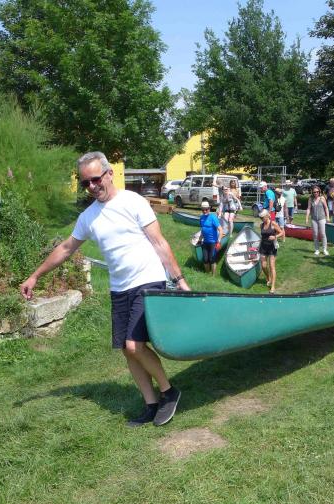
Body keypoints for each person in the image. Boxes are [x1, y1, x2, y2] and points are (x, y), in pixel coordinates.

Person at [20, 151, 188, 427]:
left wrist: (180, 280)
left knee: (135, 345)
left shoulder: (133, 202)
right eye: (85, 183)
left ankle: (169, 392)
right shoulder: (88, 217)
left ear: (109, 174)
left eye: (95, 179)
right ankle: (150, 404)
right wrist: (35, 276)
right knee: (126, 348)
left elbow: (159, 242)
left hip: (148, 279)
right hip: (119, 288)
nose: (91, 186)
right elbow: (66, 248)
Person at [258, 208, 284, 293]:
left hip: (272, 247)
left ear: (266, 216)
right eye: (260, 218)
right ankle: (268, 277)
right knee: (263, 266)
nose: (261, 219)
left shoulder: (273, 223)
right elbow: (263, 236)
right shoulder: (261, 225)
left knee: (272, 266)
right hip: (263, 247)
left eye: (262, 217)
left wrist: (275, 236)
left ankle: (273, 286)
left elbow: (281, 232)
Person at [199, 200, 224, 276]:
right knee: (205, 259)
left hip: (213, 242)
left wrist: (218, 241)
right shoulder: (201, 218)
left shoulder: (213, 217)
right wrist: (200, 239)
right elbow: (203, 230)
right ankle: (207, 274)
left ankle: (213, 276)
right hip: (205, 242)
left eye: (206, 209)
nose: (205, 211)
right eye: (203, 209)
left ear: (209, 209)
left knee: (212, 259)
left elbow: (221, 230)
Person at [305, 185, 330, 256]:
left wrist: (328, 217)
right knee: (315, 234)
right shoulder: (311, 199)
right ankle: (317, 249)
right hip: (314, 219)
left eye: (317, 192)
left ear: (319, 192)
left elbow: (326, 208)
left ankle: (325, 249)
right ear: (312, 192)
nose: (316, 193)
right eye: (314, 192)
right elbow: (308, 208)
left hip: (322, 218)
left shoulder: (322, 198)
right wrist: (307, 218)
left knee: (323, 234)